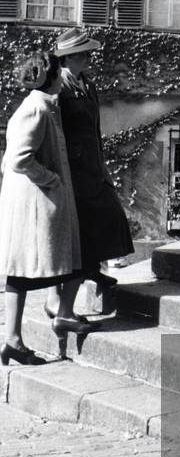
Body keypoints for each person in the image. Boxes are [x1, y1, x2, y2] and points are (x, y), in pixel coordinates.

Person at [0, 51, 90, 366]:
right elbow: (19, 159)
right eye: (60, 73)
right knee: (39, 266)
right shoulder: (37, 109)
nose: (65, 78)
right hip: (36, 203)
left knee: (22, 272)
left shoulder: (42, 106)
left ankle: (13, 340)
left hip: (33, 201)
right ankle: (23, 333)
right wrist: (51, 180)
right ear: (52, 79)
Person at [47, 28, 133, 306]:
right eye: (83, 54)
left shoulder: (88, 84)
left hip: (93, 167)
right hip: (71, 170)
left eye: (88, 53)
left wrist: (102, 165)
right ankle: (57, 297)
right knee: (78, 232)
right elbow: (52, 130)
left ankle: (94, 274)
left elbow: (94, 130)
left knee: (109, 218)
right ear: (68, 58)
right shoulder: (58, 86)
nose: (88, 59)